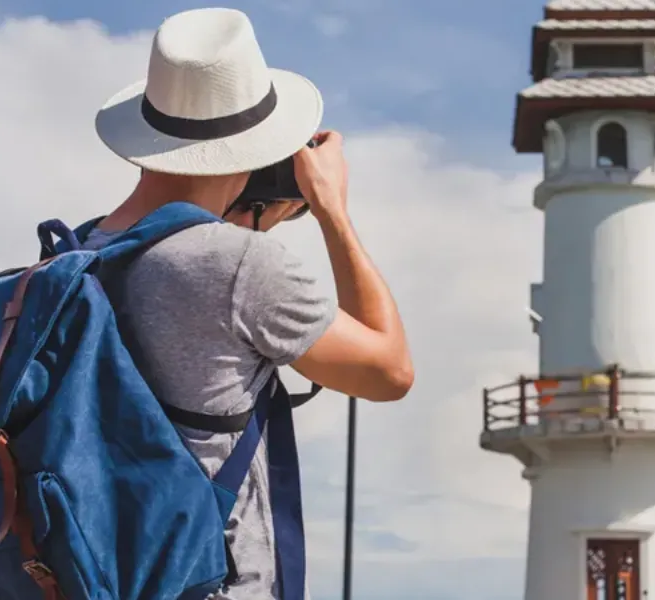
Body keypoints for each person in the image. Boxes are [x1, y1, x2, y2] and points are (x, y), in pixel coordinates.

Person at [86, 7, 414, 599]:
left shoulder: (73, 257)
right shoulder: (238, 265)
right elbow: (389, 372)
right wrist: (332, 208)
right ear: (254, 149)